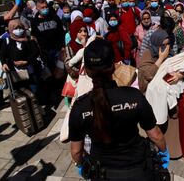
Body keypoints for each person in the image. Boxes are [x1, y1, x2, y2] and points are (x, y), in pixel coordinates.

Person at [69, 39, 169, 181]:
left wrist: (81, 165)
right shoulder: (134, 96)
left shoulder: (80, 107)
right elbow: (156, 135)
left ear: (87, 71)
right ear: (114, 66)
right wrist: (164, 152)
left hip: (103, 172)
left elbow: (76, 151)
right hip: (138, 169)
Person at [0, 19, 40, 93]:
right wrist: (4, 64)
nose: (19, 30)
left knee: (34, 89)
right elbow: (2, 54)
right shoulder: (7, 41)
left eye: (20, 28)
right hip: (15, 71)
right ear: (10, 29)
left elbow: (36, 52)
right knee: (20, 92)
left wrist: (26, 61)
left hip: (30, 69)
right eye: (15, 28)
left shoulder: (29, 39)